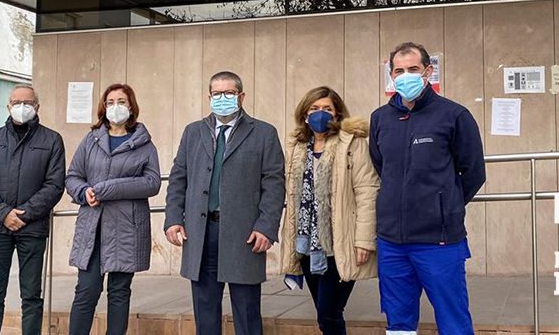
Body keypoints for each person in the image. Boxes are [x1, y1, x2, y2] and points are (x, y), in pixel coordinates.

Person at [369, 42, 487, 335]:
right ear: (391, 75)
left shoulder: (454, 115)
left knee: (453, 319)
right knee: (398, 322)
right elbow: (381, 166)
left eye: (413, 69)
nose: (406, 75)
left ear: (428, 72)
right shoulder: (380, 119)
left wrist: (444, 206)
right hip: (391, 242)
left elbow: (473, 172)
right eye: (399, 70)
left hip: (439, 242)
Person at [164, 71, 286, 335]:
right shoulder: (193, 132)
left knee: (246, 311)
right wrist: (173, 219)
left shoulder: (264, 133)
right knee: (205, 312)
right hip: (201, 234)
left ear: (241, 96)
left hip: (244, 235)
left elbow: (274, 185)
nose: (222, 99)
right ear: (209, 97)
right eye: (216, 94)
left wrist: (266, 226)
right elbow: (178, 179)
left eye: (228, 93)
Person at [280, 86, 379, 335]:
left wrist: (364, 241)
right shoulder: (297, 145)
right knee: (326, 314)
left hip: (340, 244)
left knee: (329, 313)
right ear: (304, 114)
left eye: (327, 109)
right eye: (314, 108)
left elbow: (368, 191)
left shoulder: (352, 143)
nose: (320, 114)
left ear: (337, 114)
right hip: (306, 246)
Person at [65, 83, 161, 335]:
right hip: (92, 227)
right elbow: (73, 175)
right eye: (110, 102)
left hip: (126, 229)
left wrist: (108, 189)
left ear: (131, 106)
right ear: (103, 107)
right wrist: (83, 192)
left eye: (121, 101)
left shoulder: (144, 143)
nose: (115, 106)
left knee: (119, 293)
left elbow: (152, 183)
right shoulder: (91, 139)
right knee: (86, 291)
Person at [0, 84, 66, 335]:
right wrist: (4, 214)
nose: (21, 107)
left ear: (36, 106)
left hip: (32, 228)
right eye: (16, 102)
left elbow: (55, 185)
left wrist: (23, 214)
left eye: (27, 103)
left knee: (32, 295)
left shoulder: (52, 140)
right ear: (8, 106)